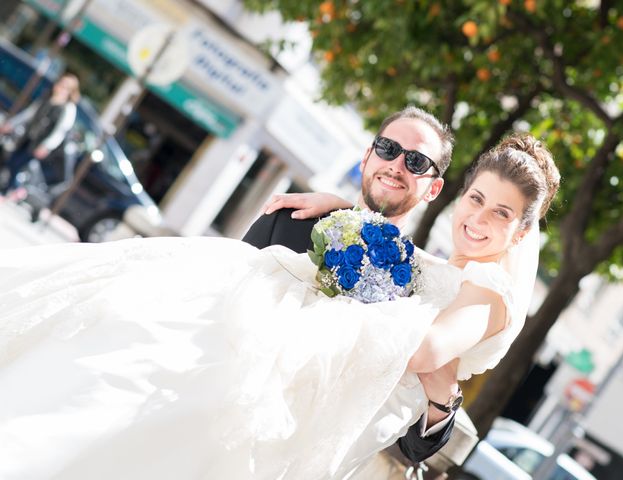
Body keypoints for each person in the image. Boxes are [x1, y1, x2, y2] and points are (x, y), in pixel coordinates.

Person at [0, 132, 559, 479]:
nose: (480, 220)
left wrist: (441, 388)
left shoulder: (494, 292)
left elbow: (429, 348)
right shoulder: (445, 267)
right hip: (328, 385)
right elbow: (417, 271)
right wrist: (347, 210)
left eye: (502, 215)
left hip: (349, 416)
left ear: (521, 232)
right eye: (478, 200)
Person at [243, 106, 460, 464]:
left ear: (433, 189)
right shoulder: (285, 222)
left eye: (417, 162)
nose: (397, 165)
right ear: (367, 157)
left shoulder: (422, 294)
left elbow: (414, 449)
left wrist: (444, 399)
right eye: (388, 149)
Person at [0, 73, 80, 195]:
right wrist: (11, 124)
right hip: (29, 137)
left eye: (66, 86)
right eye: (61, 83)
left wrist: (46, 145)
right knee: (12, 161)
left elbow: (60, 131)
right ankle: (15, 190)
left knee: (17, 164)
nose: (61, 87)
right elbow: (29, 113)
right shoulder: (47, 97)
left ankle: (14, 190)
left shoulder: (68, 108)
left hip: (41, 143)